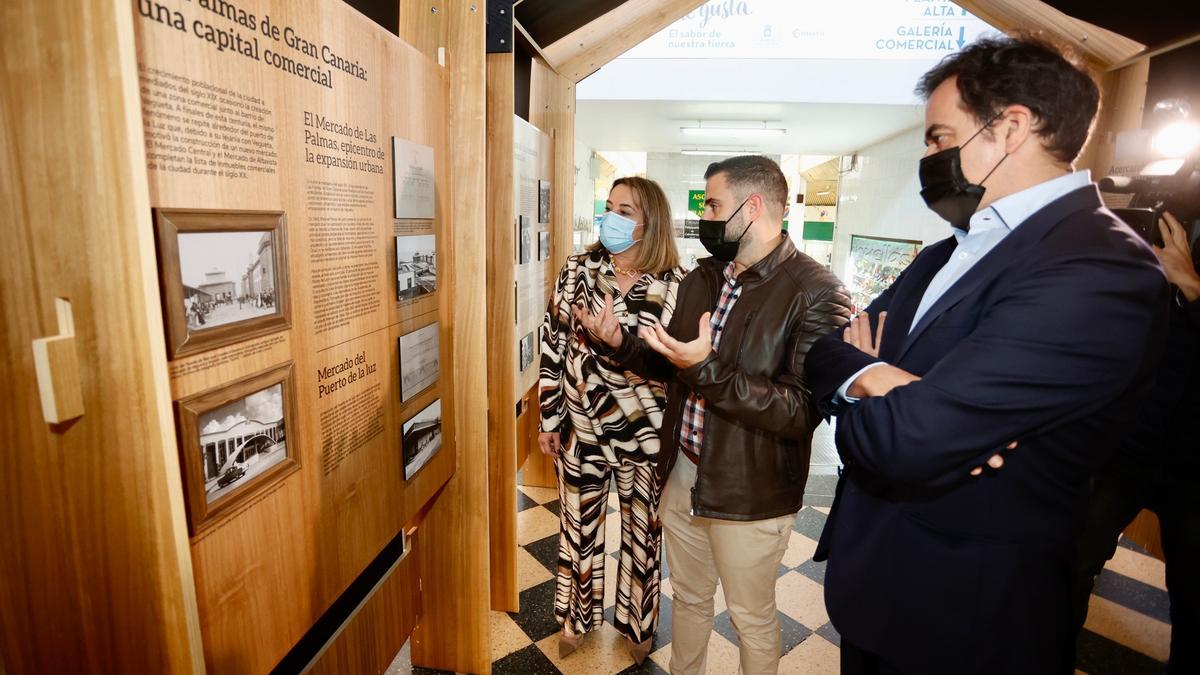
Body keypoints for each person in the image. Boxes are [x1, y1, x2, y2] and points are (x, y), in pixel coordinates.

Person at [801, 34, 1169, 674]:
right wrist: (888, 384)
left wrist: (887, 395)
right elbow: (824, 352)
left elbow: (908, 440)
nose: (929, 155)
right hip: (880, 586)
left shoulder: (1098, 266)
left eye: (940, 137)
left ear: (1010, 128)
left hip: (967, 616)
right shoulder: (952, 250)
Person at [578, 155, 851, 674]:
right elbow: (672, 362)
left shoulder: (815, 291)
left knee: (751, 617)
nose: (704, 216)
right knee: (691, 599)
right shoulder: (705, 276)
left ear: (752, 208)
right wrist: (619, 343)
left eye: (714, 205)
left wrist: (706, 369)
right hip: (683, 472)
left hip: (751, 489)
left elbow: (799, 410)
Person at [538, 176, 686, 664]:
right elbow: (553, 345)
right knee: (577, 528)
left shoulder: (676, 283)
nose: (612, 218)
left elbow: (678, 364)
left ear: (650, 222)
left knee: (643, 535)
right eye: (609, 207)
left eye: (625, 210)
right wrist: (548, 416)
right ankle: (575, 618)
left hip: (646, 431)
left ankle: (638, 627)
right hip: (581, 429)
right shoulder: (578, 269)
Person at [1072, 210, 1200, 674]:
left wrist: (1190, 286)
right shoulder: (1173, 213)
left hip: (1194, 465)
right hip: (1129, 442)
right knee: (1072, 564)